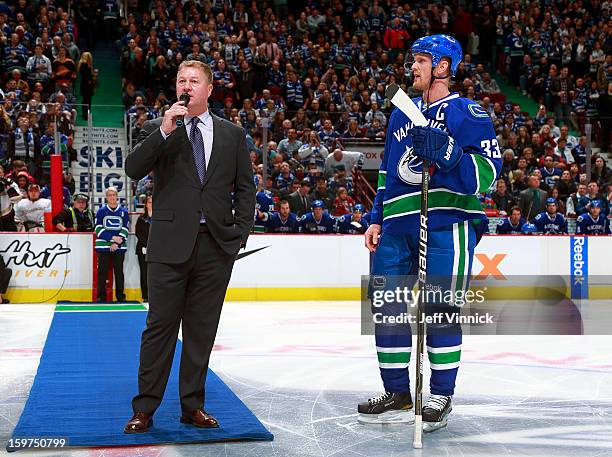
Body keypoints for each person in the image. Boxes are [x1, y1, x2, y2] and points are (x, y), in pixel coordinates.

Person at [359, 35, 501, 431]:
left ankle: (440, 393)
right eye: (413, 60)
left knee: (440, 309)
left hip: (445, 221)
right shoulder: (401, 114)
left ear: (442, 66)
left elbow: (487, 177)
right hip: (395, 226)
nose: (413, 67)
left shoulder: (468, 113)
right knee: (387, 308)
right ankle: (398, 391)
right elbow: (388, 172)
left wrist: (451, 154)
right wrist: (375, 217)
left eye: (421, 60)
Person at [124, 60, 255, 433]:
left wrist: (238, 234)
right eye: (182, 80)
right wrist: (164, 129)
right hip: (168, 246)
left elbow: (245, 189)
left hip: (215, 247)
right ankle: (145, 408)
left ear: (209, 90)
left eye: (195, 81)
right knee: (159, 328)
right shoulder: (159, 128)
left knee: (201, 331)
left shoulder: (232, 134)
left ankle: (192, 406)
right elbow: (133, 168)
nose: (187, 85)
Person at [95, 187, 129, 302]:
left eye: (114, 194)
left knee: (119, 272)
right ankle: (101, 297)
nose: (112, 197)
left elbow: (125, 228)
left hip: (119, 247)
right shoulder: (101, 211)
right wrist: (112, 238)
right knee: (102, 272)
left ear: (117, 196)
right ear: (106, 197)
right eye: (109, 195)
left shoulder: (124, 212)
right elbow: (98, 228)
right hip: (103, 247)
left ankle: (120, 297)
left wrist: (116, 243)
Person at [135, 195, 152, 302]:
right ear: (146, 204)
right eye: (150, 202)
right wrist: (146, 245)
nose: (152, 204)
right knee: (144, 272)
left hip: (157, 250)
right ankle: (145, 295)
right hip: (143, 248)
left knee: (155, 274)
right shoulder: (141, 218)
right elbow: (138, 233)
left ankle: (155, 295)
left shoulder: (159, 218)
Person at [78, 51, 95, 120]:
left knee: (87, 100)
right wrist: (91, 77)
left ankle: (86, 113)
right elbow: (85, 75)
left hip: (86, 84)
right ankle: (85, 114)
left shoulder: (86, 65)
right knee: (86, 100)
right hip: (86, 85)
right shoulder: (84, 64)